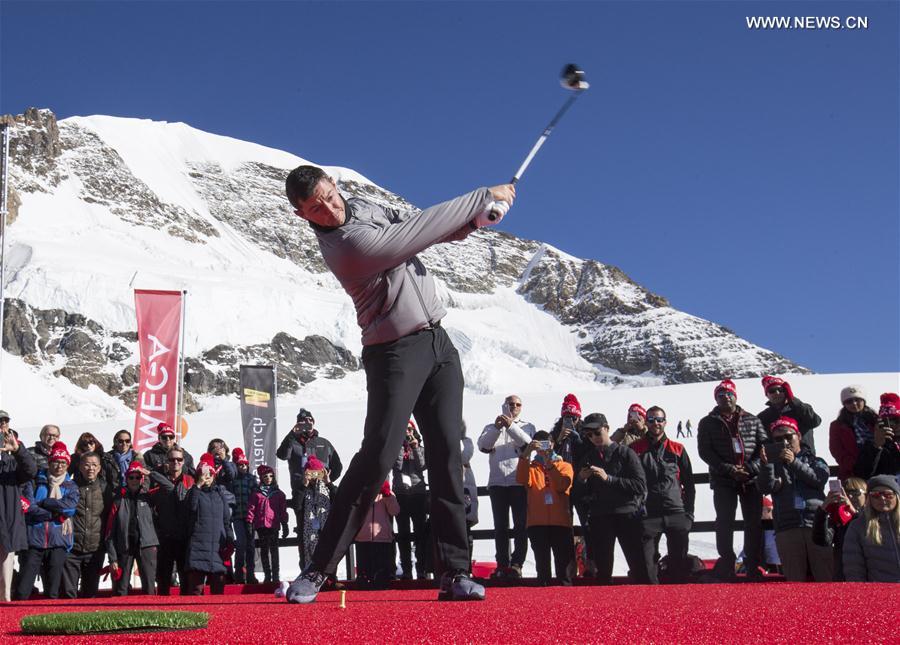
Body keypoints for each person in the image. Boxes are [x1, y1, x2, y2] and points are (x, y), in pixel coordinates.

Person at [283, 165, 513, 604]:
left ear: (334, 185)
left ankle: (455, 572)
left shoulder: (363, 206)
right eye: (316, 208)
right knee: (379, 455)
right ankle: (318, 569)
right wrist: (483, 196)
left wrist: (472, 223)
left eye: (329, 196)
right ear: (302, 215)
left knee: (447, 453)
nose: (329, 209)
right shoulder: (346, 247)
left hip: (439, 343)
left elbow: (415, 226)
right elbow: (415, 233)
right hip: (393, 353)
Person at [697, 379, 766, 581]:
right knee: (724, 522)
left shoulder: (753, 420)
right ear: (716, 399)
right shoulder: (707, 422)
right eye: (721, 395)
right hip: (723, 480)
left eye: (729, 394)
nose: (725, 397)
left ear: (736, 396)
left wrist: (750, 469)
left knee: (753, 522)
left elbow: (763, 447)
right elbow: (705, 451)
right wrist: (729, 469)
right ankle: (727, 564)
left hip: (751, 479)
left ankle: (752, 565)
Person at [577, 412, 649, 584]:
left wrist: (609, 479)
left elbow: (640, 485)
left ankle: (645, 598)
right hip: (600, 516)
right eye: (589, 435)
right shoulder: (588, 457)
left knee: (638, 565)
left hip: (627, 514)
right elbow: (579, 494)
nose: (594, 438)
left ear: (607, 429)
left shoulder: (626, 453)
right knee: (603, 570)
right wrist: (581, 479)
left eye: (597, 432)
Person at [757, 417, 832, 582]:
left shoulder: (815, 461)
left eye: (788, 436)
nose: (784, 442)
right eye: (778, 439)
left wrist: (793, 462)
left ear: (798, 436)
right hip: (787, 525)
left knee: (825, 576)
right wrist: (766, 465)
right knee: (794, 580)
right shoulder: (773, 464)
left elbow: (819, 479)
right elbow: (764, 487)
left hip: (815, 525)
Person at [630, 406, 695, 584]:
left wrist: (689, 514)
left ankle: (677, 601)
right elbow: (629, 481)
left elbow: (689, 484)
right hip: (648, 515)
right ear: (646, 422)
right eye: (651, 420)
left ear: (665, 422)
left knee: (678, 568)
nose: (656, 423)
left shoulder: (677, 449)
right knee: (647, 569)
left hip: (676, 513)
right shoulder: (635, 449)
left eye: (659, 420)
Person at [477, 395, 534, 580]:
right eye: (511, 404)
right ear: (504, 405)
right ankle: (502, 564)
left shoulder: (527, 426)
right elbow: (483, 446)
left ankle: (517, 564)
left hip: (519, 482)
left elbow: (527, 443)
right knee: (500, 527)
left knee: (521, 526)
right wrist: (497, 427)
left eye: (518, 404)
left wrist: (510, 426)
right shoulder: (491, 427)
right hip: (497, 483)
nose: (515, 407)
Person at [17, 442, 79, 600]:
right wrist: (53, 514)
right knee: (23, 590)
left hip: (58, 541)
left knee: (52, 591)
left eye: (63, 463)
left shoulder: (71, 485)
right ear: (49, 462)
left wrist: (46, 502)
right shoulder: (35, 481)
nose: (59, 466)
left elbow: (70, 509)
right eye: (56, 462)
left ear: (67, 465)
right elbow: (29, 508)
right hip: (34, 539)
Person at [517, 431, 575, 586]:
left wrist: (549, 465)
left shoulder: (565, 466)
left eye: (545, 444)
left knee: (564, 570)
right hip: (537, 523)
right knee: (542, 571)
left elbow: (563, 485)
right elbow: (521, 479)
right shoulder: (531, 468)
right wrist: (526, 453)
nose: (542, 448)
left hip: (560, 523)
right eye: (539, 444)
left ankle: (567, 596)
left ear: (553, 444)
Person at [277, 408, 342, 531]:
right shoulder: (292, 442)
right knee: (304, 527)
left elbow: (337, 467)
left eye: (310, 420)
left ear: (313, 422)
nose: (307, 422)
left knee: (324, 526)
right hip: (301, 491)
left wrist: (326, 481)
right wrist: (292, 433)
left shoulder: (324, 443)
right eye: (303, 421)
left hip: (322, 491)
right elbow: (282, 455)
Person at [62, 451, 111, 598]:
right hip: (71, 549)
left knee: (90, 595)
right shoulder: (69, 486)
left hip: (95, 549)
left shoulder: (105, 488)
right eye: (87, 465)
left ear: (99, 468)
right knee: (68, 594)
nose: (91, 468)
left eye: (94, 465)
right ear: (80, 467)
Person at [1, 411, 37, 601]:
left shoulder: (12, 460)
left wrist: (17, 450)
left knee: (5, 573)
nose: (2, 426)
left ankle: (4, 604)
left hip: (7, 521)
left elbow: (31, 471)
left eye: (5, 422)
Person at [185, 453, 235, 595]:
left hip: (218, 549)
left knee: (218, 592)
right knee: (196, 590)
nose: (207, 477)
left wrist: (230, 540)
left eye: (210, 474)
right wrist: (198, 485)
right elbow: (191, 508)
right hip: (198, 548)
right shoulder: (194, 492)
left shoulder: (220, 494)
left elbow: (227, 521)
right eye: (203, 474)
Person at [106, 461, 158, 595]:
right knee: (121, 588)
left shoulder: (149, 496)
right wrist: (112, 558)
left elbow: (168, 487)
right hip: (124, 547)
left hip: (146, 546)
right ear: (126, 479)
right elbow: (110, 531)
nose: (134, 480)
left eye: (137, 477)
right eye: (131, 477)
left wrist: (149, 473)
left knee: (149, 588)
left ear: (142, 479)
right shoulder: (118, 499)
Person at [148, 445, 194, 595]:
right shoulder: (156, 482)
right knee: (163, 581)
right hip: (164, 537)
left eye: (179, 459)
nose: (176, 462)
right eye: (172, 459)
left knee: (186, 582)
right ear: (167, 461)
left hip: (184, 537)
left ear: (183, 461)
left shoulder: (190, 481)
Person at [842, 475, 900, 582]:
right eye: (875, 495)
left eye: (888, 494)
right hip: (880, 589)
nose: (882, 498)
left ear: (896, 496)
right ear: (869, 498)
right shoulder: (858, 527)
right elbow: (853, 568)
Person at [393, 419, 429, 579]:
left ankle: (422, 568)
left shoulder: (420, 448)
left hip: (417, 493)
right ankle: (406, 569)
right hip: (401, 493)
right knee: (403, 533)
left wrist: (414, 447)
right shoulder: (395, 448)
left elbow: (422, 466)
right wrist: (400, 448)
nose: (407, 432)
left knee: (420, 532)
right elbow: (397, 466)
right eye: (404, 429)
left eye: (410, 429)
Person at [812, 476, 867, 581]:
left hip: (868, 575)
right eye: (846, 492)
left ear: (866, 496)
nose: (849, 496)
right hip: (843, 575)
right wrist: (823, 509)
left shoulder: (873, 517)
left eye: (855, 493)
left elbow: (867, 532)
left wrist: (852, 511)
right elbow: (821, 540)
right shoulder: (839, 517)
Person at [354, 480, 400, 589]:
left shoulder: (388, 494)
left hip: (382, 539)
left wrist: (387, 495)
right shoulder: (361, 492)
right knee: (364, 578)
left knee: (381, 578)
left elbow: (395, 511)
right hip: (363, 538)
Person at [247, 464, 289, 584]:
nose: (268, 478)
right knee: (264, 550)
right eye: (265, 476)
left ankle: (275, 574)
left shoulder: (279, 494)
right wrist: (250, 522)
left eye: (271, 476)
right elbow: (251, 509)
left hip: (273, 525)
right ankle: (267, 574)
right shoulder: (256, 494)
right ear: (261, 478)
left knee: (274, 550)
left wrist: (284, 524)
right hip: (261, 525)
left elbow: (282, 510)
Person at [757, 376, 822, 453]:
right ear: (767, 395)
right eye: (772, 391)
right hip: (777, 458)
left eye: (781, 390)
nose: (777, 393)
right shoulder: (763, 417)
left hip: (805, 457)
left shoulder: (801, 408)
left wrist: (793, 400)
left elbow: (815, 422)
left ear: (786, 391)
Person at [829, 385, 879, 481]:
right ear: (844, 404)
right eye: (849, 401)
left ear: (864, 401)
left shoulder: (876, 420)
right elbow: (836, 450)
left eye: (858, 400)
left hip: (880, 469)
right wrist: (854, 465)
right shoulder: (837, 425)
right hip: (853, 473)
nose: (854, 404)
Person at [296, 456, 335, 572]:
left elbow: (339, 500)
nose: (314, 477)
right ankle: (309, 576)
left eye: (317, 473)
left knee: (328, 555)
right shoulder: (302, 488)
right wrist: (304, 485)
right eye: (311, 473)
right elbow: (297, 505)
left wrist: (329, 483)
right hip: (308, 532)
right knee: (308, 557)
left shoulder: (328, 488)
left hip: (326, 530)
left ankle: (329, 577)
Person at [228, 447, 258, 583]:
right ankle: (239, 573)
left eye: (245, 464)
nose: (243, 467)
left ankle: (251, 573)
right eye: (240, 465)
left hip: (250, 516)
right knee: (240, 543)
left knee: (250, 545)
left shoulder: (251, 479)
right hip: (237, 516)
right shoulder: (232, 480)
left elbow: (256, 497)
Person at [854, 393, 900, 479]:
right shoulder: (872, 446)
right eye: (892, 421)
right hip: (884, 486)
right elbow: (861, 474)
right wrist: (876, 446)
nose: (897, 425)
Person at [460, 422, 479, 566]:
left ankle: (466, 566)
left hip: (466, 489)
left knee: (466, 531)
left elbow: (465, 456)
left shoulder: (466, 442)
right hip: (452, 487)